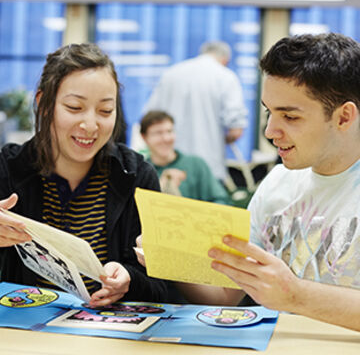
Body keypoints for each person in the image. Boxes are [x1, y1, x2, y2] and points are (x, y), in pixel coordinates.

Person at [137, 33, 360, 331]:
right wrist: (168, 257)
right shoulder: (277, 183)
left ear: (344, 117)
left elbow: (288, 295)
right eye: (269, 112)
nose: (270, 131)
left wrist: (295, 295)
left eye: (290, 117)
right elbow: (226, 296)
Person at [0, 43, 167, 307]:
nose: (90, 126)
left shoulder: (136, 176)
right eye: (75, 107)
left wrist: (130, 280)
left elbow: (162, 285)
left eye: (105, 111)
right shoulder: (7, 170)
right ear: (44, 104)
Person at [144, 41, 248, 181]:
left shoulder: (171, 74)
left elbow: (150, 118)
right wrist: (220, 139)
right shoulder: (226, 77)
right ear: (225, 60)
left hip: (170, 167)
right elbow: (236, 130)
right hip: (209, 169)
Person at [140, 110, 231, 204]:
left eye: (169, 131)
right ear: (144, 137)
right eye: (158, 133)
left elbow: (221, 200)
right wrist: (159, 188)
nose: (166, 138)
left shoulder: (196, 164)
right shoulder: (141, 172)